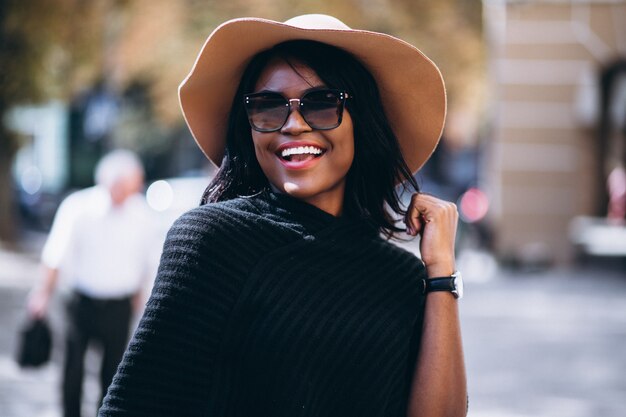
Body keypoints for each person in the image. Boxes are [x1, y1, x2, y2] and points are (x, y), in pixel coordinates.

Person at [99, 14, 467, 417]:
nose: (294, 124)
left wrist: (440, 273)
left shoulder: (402, 279)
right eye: (269, 107)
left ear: (362, 122)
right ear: (249, 127)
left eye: (323, 104)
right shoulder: (210, 241)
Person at [28, 150, 157, 417]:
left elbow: (148, 264)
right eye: (132, 183)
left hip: (119, 305)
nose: (135, 188)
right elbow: (55, 256)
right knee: (72, 369)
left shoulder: (142, 214)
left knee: (113, 373)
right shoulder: (78, 207)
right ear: (114, 182)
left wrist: (142, 305)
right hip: (80, 301)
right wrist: (42, 294)